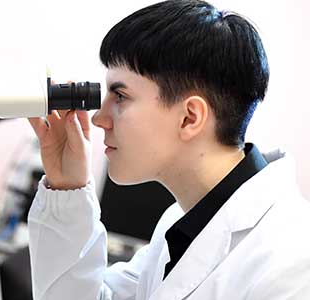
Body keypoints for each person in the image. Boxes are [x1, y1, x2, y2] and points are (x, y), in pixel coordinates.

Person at [27, 1, 310, 299]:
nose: (99, 119)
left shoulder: (293, 262)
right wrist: (67, 187)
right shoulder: (181, 224)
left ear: (189, 118)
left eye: (120, 96)